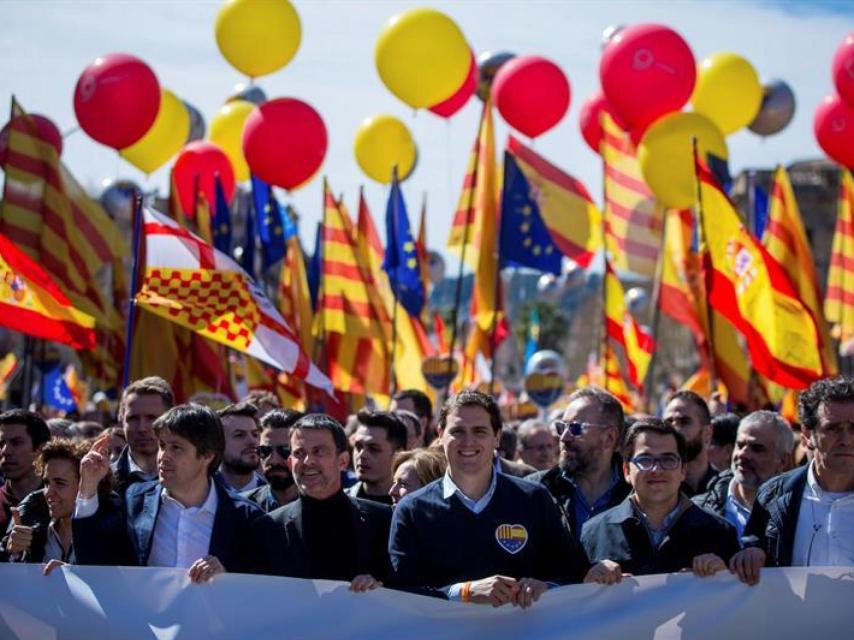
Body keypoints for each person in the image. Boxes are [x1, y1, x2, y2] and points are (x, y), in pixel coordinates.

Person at [389, 391, 589, 607]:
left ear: (497, 437)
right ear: (440, 434)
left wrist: (546, 586)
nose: (468, 442)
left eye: (479, 431)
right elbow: (402, 593)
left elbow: (570, 571)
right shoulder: (412, 509)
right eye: (457, 431)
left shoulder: (534, 499)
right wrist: (463, 592)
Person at [72, 404, 263, 582]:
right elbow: (94, 561)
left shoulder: (246, 518)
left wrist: (227, 579)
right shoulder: (134, 501)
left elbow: (261, 591)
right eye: (162, 446)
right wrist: (88, 488)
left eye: (176, 447)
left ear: (207, 455)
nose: (164, 456)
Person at [582, 419, 739, 582]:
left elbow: (737, 603)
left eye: (668, 460)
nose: (657, 470)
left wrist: (724, 578)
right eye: (645, 460)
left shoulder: (720, 533)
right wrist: (588, 585)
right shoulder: (593, 534)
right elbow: (572, 602)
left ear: (683, 470)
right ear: (627, 470)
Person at [731, 377, 854, 586]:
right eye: (832, 428)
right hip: (792, 618)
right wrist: (750, 555)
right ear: (807, 435)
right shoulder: (773, 497)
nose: (847, 439)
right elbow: (753, 548)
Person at [249, 414, 391, 592]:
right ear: (291, 462)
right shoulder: (267, 529)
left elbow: (406, 591)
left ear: (342, 460)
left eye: (319, 451)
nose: (308, 462)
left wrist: (379, 587)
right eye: (299, 453)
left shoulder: (382, 521)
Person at [527, 388, 631, 537]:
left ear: (609, 437)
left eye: (575, 428)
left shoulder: (637, 493)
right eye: (561, 427)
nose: (564, 437)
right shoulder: (536, 490)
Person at [1, 439, 114, 568]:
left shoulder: (113, 526)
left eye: (60, 483)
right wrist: (14, 553)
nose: (48, 493)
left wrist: (71, 576)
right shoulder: (31, 520)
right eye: (46, 483)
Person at [694, 410, 794, 538]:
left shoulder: (797, 515)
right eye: (740, 445)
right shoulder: (699, 510)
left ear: (783, 461)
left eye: (757, 449)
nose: (743, 454)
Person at [112, 377, 174, 497]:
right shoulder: (103, 481)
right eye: (133, 418)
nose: (141, 428)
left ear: (170, 420)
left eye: (151, 418)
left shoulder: (190, 478)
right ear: (121, 420)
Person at [0, 410, 51, 535]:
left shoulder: (58, 503)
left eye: (16, 443)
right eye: (1, 444)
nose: (5, 451)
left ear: (40, 449)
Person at [244, 409, 303, 512]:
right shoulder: (242, 509)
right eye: (265, 450)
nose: (274, 461)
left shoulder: (327, 508)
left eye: (285, 450)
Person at [662, 390, 718, 496]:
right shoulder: (655, 490)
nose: (675, 429)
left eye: (684, 422)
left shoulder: (727, 489)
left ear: (707, 433)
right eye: (669, 422)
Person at [347, 410, 408, 505]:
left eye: (373, 449)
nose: (362, 455)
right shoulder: (339, 503)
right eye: (358, 447)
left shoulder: (413, 509)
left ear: (398, 454)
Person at [216, 402, 264, 493]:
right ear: (218, 443)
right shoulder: (201, 494)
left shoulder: (275, 496)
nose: (252, 441)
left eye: (255, 434)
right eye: (239, 435)